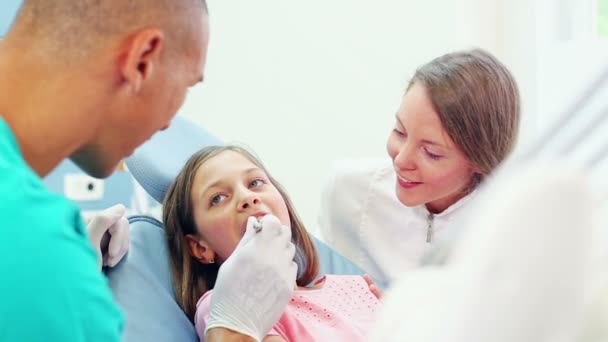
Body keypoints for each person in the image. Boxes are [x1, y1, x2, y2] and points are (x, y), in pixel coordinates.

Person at [0, 1, 297, 341]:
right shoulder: (40, 256)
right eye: (186, 86)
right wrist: (233, 328)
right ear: (142, 60)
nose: (168, 124)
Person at [318, 48, 521, 287]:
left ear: (480, 161)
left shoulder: (506, 228)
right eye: (399, 131)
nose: (401, 160)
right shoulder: (348, 190)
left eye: (431, 153)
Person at [163, 145, 382, 342]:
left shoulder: (357, 286)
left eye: (255, 183)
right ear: (200, 248)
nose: (247, 197)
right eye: (218, 198)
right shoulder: (225, 309)